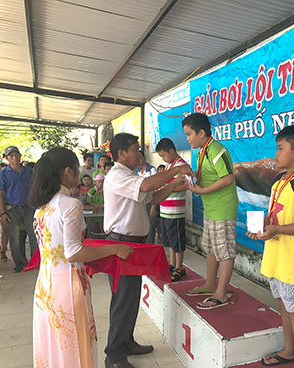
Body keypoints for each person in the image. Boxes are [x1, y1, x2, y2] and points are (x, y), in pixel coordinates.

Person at [28, 147, 133, 368]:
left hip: (45, 286)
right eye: (76, 168)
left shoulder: (41, 208)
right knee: (75, 348)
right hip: (68, 283)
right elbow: (73, 251)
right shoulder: (71, 204)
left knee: (54, 347)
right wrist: (114, 249)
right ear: (68, 171)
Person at [103, 133, 193, 368]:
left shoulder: (129, 175)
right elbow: (146, 185)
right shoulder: (117, 176)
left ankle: (126, 341)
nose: (139, 154)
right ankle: (114, 356)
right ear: (121, 153)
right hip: (121, 244)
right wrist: (176, 170)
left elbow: (152, 197)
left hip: (133, 245)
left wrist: (173, 185)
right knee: (123, 299)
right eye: (135, 149)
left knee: (131, 298)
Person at [247, 125, 294, 368]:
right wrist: (265, 225)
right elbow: (278, 215)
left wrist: (278, 229)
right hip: (277, 254)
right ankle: (289, 350)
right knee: (284, 304)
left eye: (281, 149)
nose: (276, 154)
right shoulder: (280, 180)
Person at [182, 113, 239, 309]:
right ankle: (210, 284)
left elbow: (227, 178)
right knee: (211, 249)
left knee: (224, 251)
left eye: (189, 134)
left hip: (222, 208)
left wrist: (203, 190)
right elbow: (209, 176)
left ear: (201, 132)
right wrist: (192, 177)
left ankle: (221, 294)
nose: (187, 139)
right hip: (211, 208)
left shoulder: (216, 150)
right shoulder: (202, 151)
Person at [0, 146, 38, 272]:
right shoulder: (3, 174)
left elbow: (34, 188)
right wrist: (2, 212)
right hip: (12, 209)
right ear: (7, 158)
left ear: (20, 155)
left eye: (16, 155)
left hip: (29, 208)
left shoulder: (29, 172)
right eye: (11, 156)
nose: (14, 158)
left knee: (34, 235)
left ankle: (35, 262)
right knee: (15, 237)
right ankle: (19, 263)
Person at [156, 138, 188, 281]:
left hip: (175, 210)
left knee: (177, 240)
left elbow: (186, 185)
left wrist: (169, 188)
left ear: (171, 151)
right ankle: (172, 264)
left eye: (164, 155)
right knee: (168, 240)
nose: (163, 159)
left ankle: (180, 267)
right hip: (165, 209)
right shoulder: (168, 166)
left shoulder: (181, 165)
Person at [135, 151, 159, 244]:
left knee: (151, 228)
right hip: (141, 204)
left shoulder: (152, 170)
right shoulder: (136, 172)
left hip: (150, 202)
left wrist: (153, 206)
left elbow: (156, 189)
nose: (139, 159)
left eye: (140, 157)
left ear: (144, 157)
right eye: (137, 157)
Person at [0, 162, 9, 262]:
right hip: (1, 204)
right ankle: (3, 250)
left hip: (0, 204)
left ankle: (3, 249)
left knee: (4, 228)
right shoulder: (1, 175)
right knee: (4, 228)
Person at [86, 173, 105, 238]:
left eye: (102, 182)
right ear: (95, 183)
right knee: (94, 231)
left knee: (103, 230)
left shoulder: (106, 191)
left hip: (103, 214)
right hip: (93, 214)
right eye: (99, 181)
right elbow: (89, 202)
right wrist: (98, 206)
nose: (101, 183)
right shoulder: (91, 191)